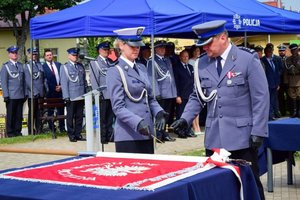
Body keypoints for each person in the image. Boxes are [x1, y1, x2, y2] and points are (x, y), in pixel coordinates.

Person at [171, 20, 269, 200]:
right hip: (215, 138)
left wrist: (258, 130)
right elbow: (197, 95)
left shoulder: (247, 59)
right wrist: (185, 118)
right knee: (217, 188)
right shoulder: (201, 64)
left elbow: (260, 97)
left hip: (243, 138)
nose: (204, 48)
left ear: (223, 37)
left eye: (208, 43)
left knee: (250, 186)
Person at [106, 26, 168, 154]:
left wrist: (159, 112)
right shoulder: (115, 71)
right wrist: (137, 122)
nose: (136, 49)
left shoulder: (141, 68)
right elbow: (118, 107)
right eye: (132, 46)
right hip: (128, 135)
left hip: (147, 132)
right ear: (121, 45)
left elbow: (149, 97)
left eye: (138, 46)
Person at [147, 40, 177, 142]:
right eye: (161, 48)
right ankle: (158, 135)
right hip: (161, 93)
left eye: (164, 48)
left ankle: (165, 133)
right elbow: (152, 78)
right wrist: (156, 92)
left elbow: (171, 76)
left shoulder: (167, 60)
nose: (163, 50)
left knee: (167, 115)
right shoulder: (152, 61)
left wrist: (174, 92)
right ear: (156, 49)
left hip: (169, 92)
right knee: (160, 115)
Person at [89, 41, 115, 143]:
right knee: (102, 118)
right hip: (102, 94)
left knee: (110, 117)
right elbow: (94, 80)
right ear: (99, 50)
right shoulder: (95, 62)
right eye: (104, 50)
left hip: (111, 94)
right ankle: (103, 137)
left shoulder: (110, 61)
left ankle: (109, 135)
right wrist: (97, 93)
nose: (106, 51)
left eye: (107, 49)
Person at [60, 48, 87, 142]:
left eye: (76, 55)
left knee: (79, 116)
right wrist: (66, 96)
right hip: (71, 96)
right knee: (70, 116)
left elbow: (84, 81)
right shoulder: (65, 67)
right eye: (73, 55)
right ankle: (71, 134)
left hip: (81, 95)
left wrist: (85, 93)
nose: (75, 57)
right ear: (69, 56)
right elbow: (64, 83)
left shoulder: (80, 66)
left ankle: (78, 134)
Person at [0, 46, 26, 137]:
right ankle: (10, 133)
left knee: (19, 115)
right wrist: (5, 95)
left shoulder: (20, 65)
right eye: (13, 53)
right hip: (11, 95)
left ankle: (18, 131)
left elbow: (24, 81)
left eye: (16, 53)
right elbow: (3, 82)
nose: (15, 54)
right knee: (11, 115)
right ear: (9, 54)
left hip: (20, 94)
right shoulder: (5, 66)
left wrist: (25, 93)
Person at [173, 50, 196, 138]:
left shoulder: (190, 67)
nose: (186, 58)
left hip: (190, 94)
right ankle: (180, 131)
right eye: (184, 56)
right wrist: (177, 95)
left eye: (187, 56)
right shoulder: (177, 67)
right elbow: (176, 82)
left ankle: (188, 130)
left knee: (189, 113)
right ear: (180, 57)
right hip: (182, 95)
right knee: (181, 113)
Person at [42, 49, 66, 132]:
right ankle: (52, 128)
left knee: (61, 111)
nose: (49, 56)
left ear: (53, 56)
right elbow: (45, 80)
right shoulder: (43, 67)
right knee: (50, 111)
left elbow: (63, 76)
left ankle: (62, 128)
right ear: (45, 57)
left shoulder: (58, 65)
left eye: (50, 55)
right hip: (50, 93)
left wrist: (61, 86)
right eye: (47, 55)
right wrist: (53, 88)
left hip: (60, 91)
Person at [24, 48, 46, 134]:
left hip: (40, 93)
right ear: (29, 55)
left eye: (35, 54)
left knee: (39, 113)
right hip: (32, 94)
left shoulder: (39, 64)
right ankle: (31, 131)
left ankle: (39, 130)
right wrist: (35, 91)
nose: (34, 56)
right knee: (32, 113)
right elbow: (28, 81)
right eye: (32, 54)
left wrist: (44, 89)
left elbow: (42, 78)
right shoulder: (27, 66)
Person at [261, 43, 284, 120]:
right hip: (267, 84)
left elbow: (279, 71)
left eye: (271, 52)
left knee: (274, 99)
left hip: (275, 83)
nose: (270, 54)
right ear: (266, 52)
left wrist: (278, 83)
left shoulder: (275, 59)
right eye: (268, 52)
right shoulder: (262, 60)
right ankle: (270, 115)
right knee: (269, 100)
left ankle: (276, 112)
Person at [188, 45, 204, 135]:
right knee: (194, 106)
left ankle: (197, 126)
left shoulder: (200, 60)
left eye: (198, 50)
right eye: (196, 51)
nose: (197, 52)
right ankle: (195, 127)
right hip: (193, 84)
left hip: (199, 84)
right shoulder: (191, 61)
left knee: (198, 108)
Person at [284, 44, 300, 118]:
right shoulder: (287, 59)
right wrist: (286, 81)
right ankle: (294, 111)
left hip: (298, 79)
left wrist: (296, 61)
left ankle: (299, 111)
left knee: (299, 96)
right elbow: (285, 72)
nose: (294, 52)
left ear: (297, 50)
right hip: (290, 80)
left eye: (295, 50)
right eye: (292, 50)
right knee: (292, 96)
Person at [277, 44, 289, 117]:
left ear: (285, 51)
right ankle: (282, 112)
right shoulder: (276, 59)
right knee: (280, 97)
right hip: (279, 81)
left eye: (283, 51)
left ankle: (290, 111)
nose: (281, 52)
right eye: (280, 51)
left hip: (287, 81)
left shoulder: (289, 59)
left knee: (289, 96)